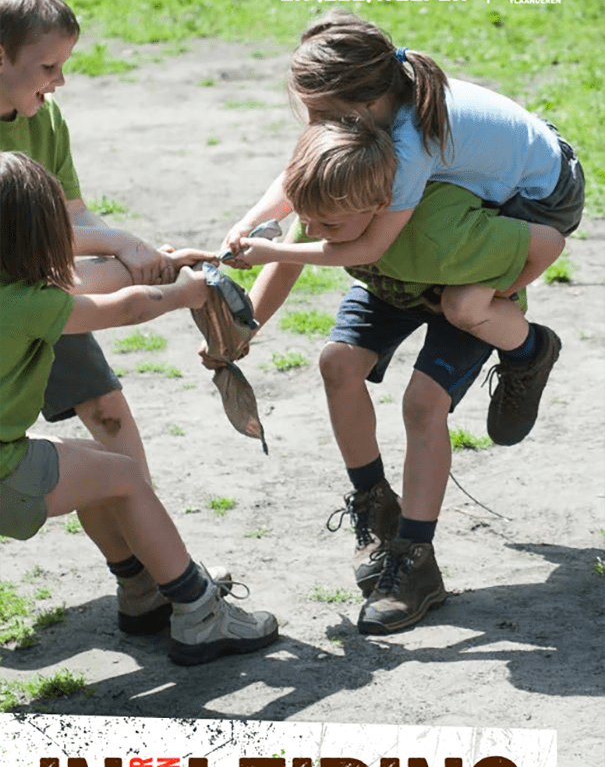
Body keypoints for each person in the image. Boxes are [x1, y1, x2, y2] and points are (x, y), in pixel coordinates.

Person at [209, 128, 565, 636]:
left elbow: (548, 240)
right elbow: (286, 265)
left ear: (382, 207)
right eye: (309, 221)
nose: (315, 231)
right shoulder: (328, 204)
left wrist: (500, 293)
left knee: (422, 404)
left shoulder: (438, 231)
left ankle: (417, 560)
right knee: (337, 363)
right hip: (388, 290)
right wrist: (239, 336)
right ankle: (377, 507)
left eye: (328, 224)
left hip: (458, 299)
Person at [221, 10, 584, 446]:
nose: (314, 124)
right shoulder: (383, 109)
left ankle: (528, 352)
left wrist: (273, 252)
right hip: (511, 166)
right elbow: (302, 181)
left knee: (465, 305)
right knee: (334, 198)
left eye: (320, 113)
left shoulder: (409, 147)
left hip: (543, 195)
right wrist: (253, 222)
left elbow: (369, 248)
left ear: (367, 106)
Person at [0, 151, 278, 665]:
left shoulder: (13, 289)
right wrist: (186, 292)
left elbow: (84, 281)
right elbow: (123, 307)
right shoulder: (28, 303)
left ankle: (140, 589)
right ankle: (200, 613)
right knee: (124, 476)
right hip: (5, 475)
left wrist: (161, 263)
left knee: (93, 470)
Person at [0, 0, 212, 630]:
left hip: (34, 286)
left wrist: (131, 262)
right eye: (48, 66)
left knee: (108, 413)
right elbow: (72, 262)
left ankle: (148, 574)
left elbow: (66, 224)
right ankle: (165, 582)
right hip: (23, 295)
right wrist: (128, 255)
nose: (59, 81)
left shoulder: (45, 119)